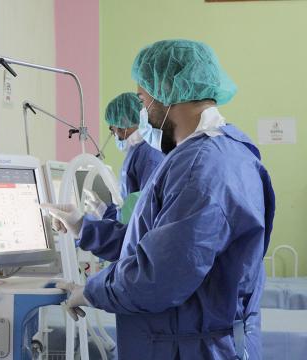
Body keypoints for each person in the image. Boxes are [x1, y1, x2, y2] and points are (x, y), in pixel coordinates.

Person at [46, 39, 275, 359]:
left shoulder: (201, 168)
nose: (143, 113)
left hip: (191, 347)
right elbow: (160, 240)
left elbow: (158, 278)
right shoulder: (225, 150)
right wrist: (84, 227)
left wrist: (91, 291)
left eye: (142, 99)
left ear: (166, 93)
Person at [85, 92, 164, 223]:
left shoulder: (148, 153)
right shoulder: (139, 151)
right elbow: (126, 210)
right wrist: (103, 211)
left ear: (121, 127)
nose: (114, 134)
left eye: (112, 129)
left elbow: (144, 213)